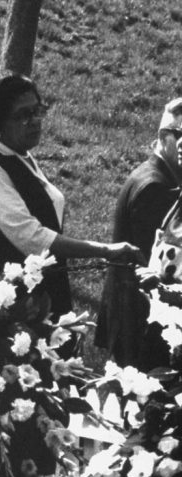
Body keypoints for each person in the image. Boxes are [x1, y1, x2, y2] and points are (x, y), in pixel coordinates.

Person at [0, 74, 141, 318]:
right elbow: (32, 238)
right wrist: (105, 250)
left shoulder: (20, 156)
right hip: (7, 305)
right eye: (24, 115)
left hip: (42, 290)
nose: (36, 121)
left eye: (38, 110)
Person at [95, 98, 182, 368]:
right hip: (144, 328)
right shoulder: (157, 189)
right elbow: (158, 266)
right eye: (178, 135)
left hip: (135, 319)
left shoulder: (157, 176)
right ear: (162, 136)